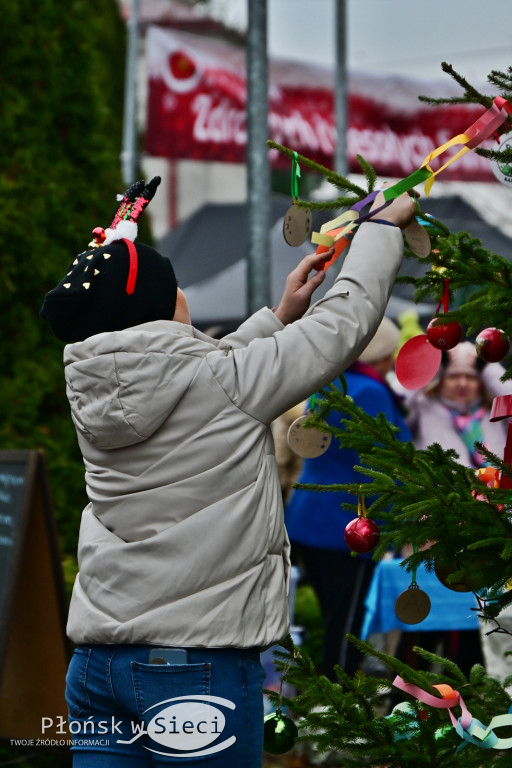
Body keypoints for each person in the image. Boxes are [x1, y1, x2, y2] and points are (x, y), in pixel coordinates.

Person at [39, 176, 415, 766]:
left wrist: (277, 316)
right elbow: (344, 326)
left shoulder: (96, 389)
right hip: (195, 668)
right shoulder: (225, 386)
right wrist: (383, 228)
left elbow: (196, 377)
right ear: (162, 308)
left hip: (97, 666)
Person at [284, 316, 412, 682]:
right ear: (380, 357)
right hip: (351, 524)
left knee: (334, 613)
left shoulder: (328, 386)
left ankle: (332, 696)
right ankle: (340, 702)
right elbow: (391, 460)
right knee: (349, 622)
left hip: (312, 517)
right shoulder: (371, 392)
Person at [401, 340, 512, 677]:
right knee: (436, 611)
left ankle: (469, 678)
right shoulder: (423, 406)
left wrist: (485, 363)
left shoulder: (495, 411)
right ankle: (417, 685)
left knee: (482, 609)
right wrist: (439, 361)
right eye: (454, 377)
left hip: (493, 528)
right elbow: (403, 388)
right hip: (439, 525)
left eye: (470, 377)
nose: (462, 384)